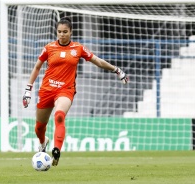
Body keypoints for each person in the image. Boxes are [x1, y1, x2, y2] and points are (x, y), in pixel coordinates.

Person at [23, 17, 128, 166]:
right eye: (59, 32)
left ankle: (56, 150)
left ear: (71, 32)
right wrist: (28, 89)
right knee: (39, 127)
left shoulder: (78, 48)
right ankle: (43, 141)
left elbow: (97, 61)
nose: (62, 34)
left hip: (66, 90)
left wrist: (116, 70)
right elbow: (37, 67)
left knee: (59, 115)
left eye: (65, 32)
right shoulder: (49, 48)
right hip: (47, 89)